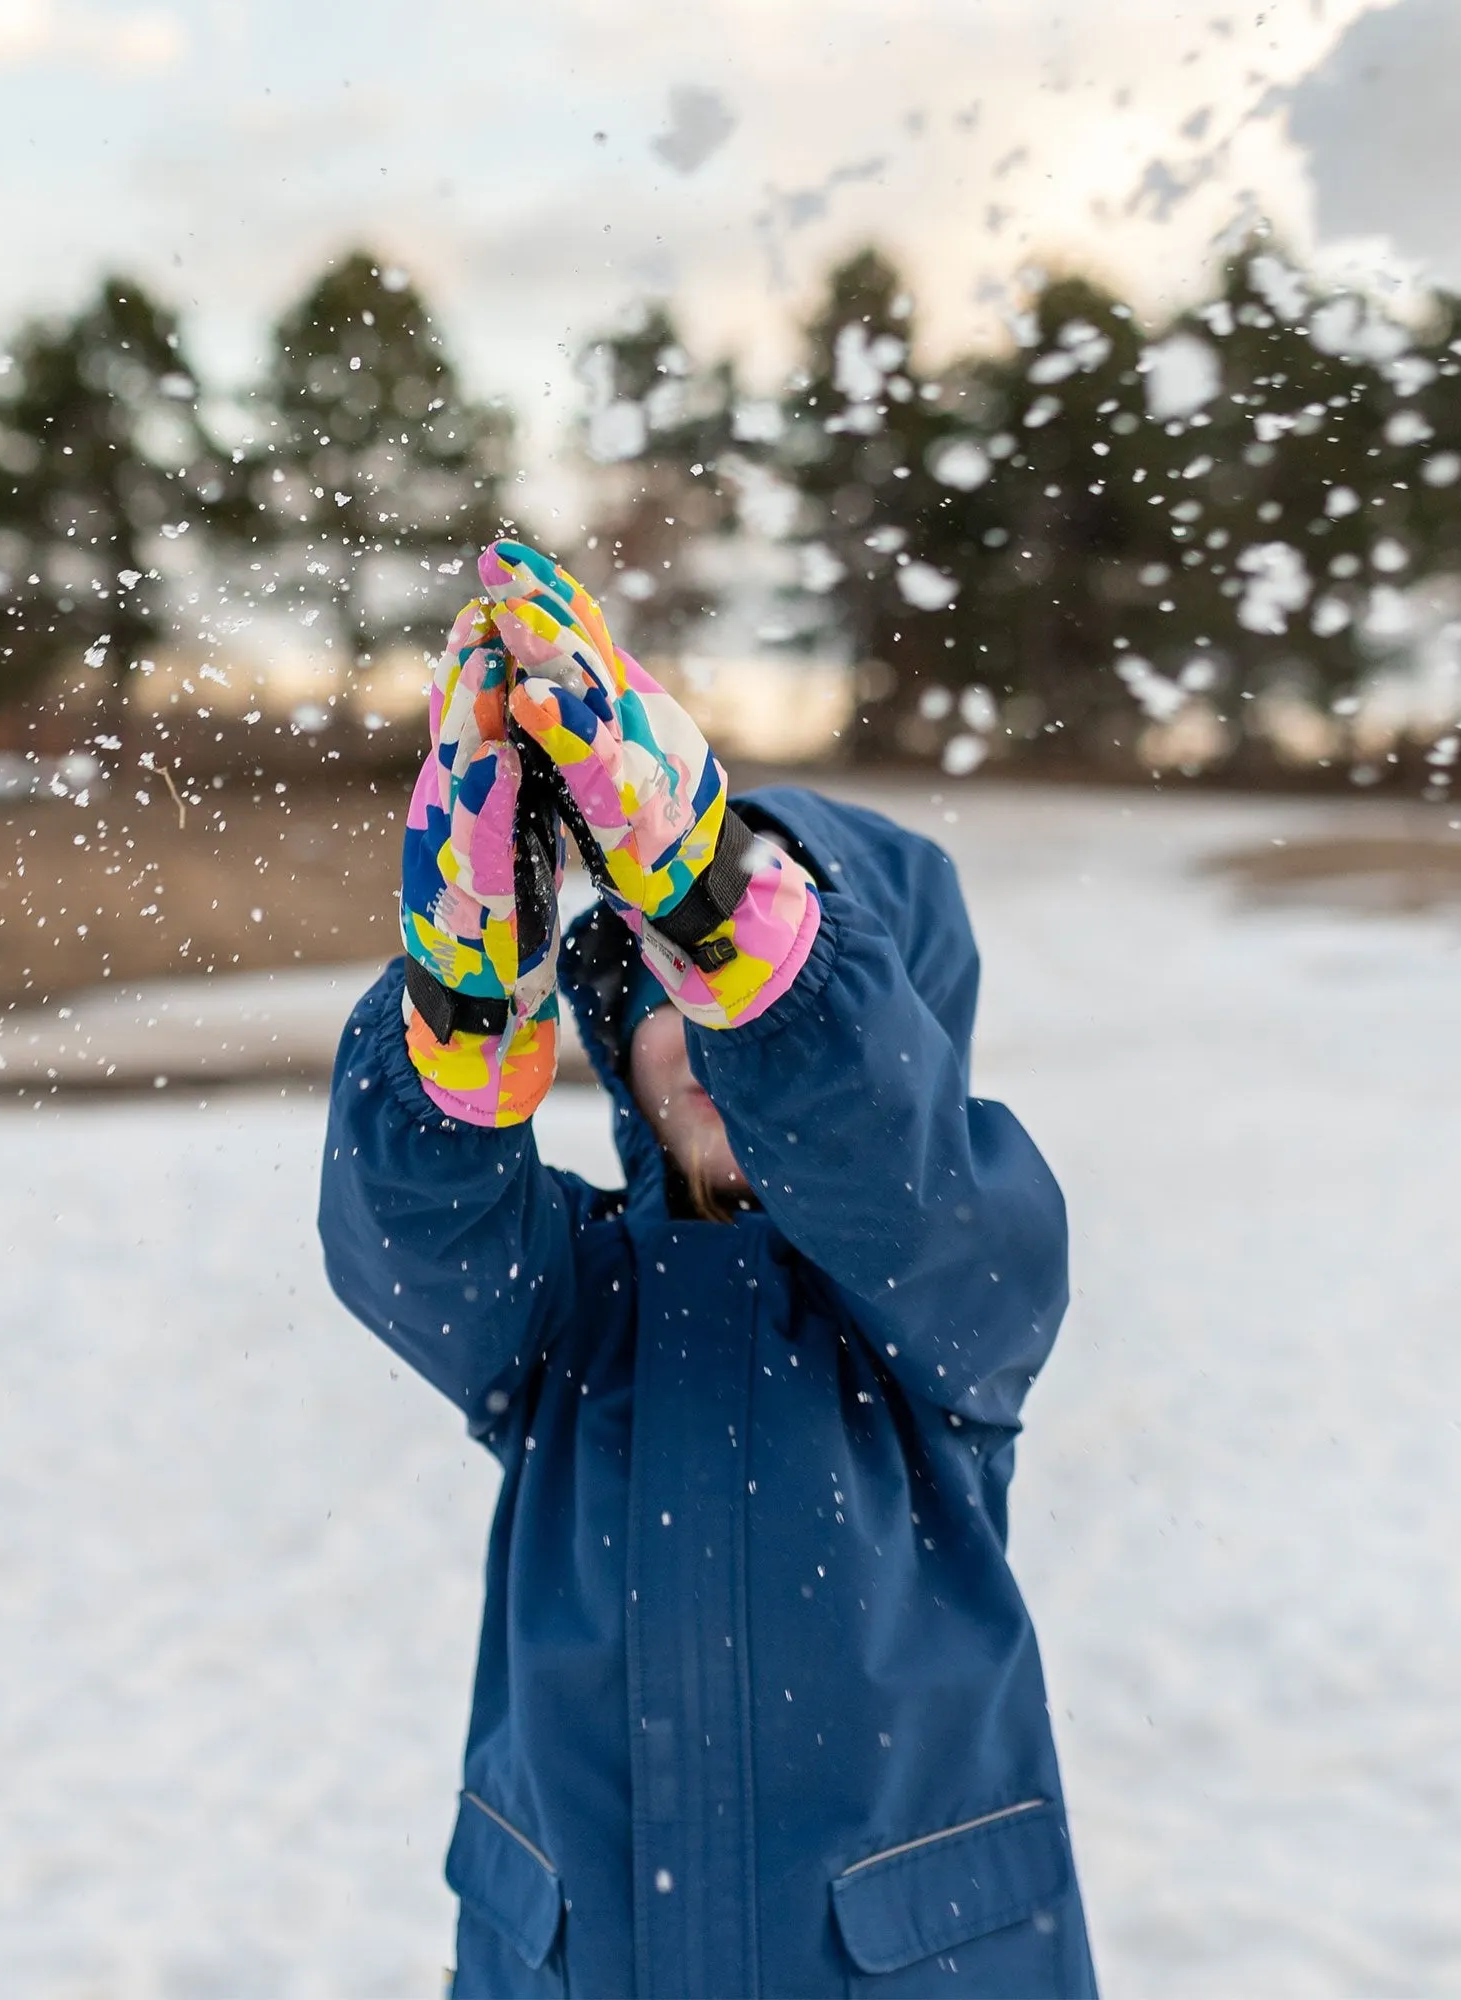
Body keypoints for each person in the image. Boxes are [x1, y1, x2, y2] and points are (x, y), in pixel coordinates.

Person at [319, 541, 1095, 1997]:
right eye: (673, 992)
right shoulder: (573, 1305)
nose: (712, 1035)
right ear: (617, 1032)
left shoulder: (955, 1280)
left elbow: (885, 1164)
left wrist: (735, 925)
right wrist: (462, 1010)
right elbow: (412, 1243)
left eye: (736, 990)